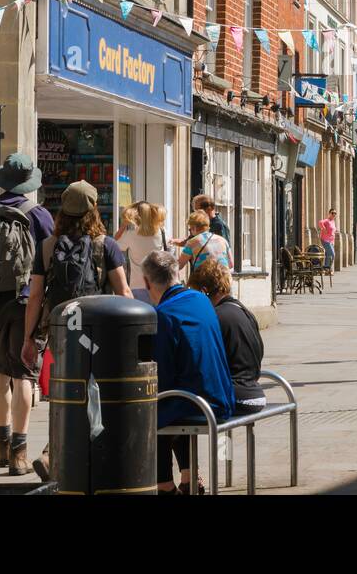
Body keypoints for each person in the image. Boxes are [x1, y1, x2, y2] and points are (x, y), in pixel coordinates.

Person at [21, 180, 131, 481]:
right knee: (97, 390)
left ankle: (56, 452)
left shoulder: (47, 246)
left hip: (62, 330)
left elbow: (34, 297)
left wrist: (29, 339)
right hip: (97, 332)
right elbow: (124, 293)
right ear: (93, 210)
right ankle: (56, 452)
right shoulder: (106, 245)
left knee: (68, 390)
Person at [0, 153, 55, 477]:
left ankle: (2, 442)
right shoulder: (38, 215)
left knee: (0, 374)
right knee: (24, 374)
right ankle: (19, 453)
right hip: (27, 302)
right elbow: (51, 259)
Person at [144, 251, 236, 495]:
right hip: (221, 397)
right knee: (175, 397)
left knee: (148, 410)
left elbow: (161, 374)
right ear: (178, 274)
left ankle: (164, 485)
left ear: (146, 282)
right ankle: (189, 477)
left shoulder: (162, 315)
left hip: (198, 404)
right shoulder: (201, 300)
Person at [188, 258, 266, 416]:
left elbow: (202, 361)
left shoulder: (214, 317)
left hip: (232, 396)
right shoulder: (244, 311)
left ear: (204, 291)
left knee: (169, 407)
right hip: (255, 392)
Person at [115, 201, 169, 297]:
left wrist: (123, 225)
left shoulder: (131, 235)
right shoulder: (162, 232)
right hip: (159, 284)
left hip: (137, 285)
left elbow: (115, 244)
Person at [179, 210, 232, 275]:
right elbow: (231, 264)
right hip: (223, 281)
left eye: (190, 229)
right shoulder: (223, 240)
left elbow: (179, 265)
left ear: (194, 228)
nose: (190, 232)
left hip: (203, 281)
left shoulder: (192, 243)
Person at [318, 208, 338, 273]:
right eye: (332, 213)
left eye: (335, 213)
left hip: (331, 241)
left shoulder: (333, 222)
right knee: (332, 254)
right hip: (325, 240)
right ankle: (328, 268)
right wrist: (324, 229)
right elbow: (320, 222)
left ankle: (326, 270)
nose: (334, 215)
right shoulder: (327, 220)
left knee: (328, 255)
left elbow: (332, 231)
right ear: (329, 213)